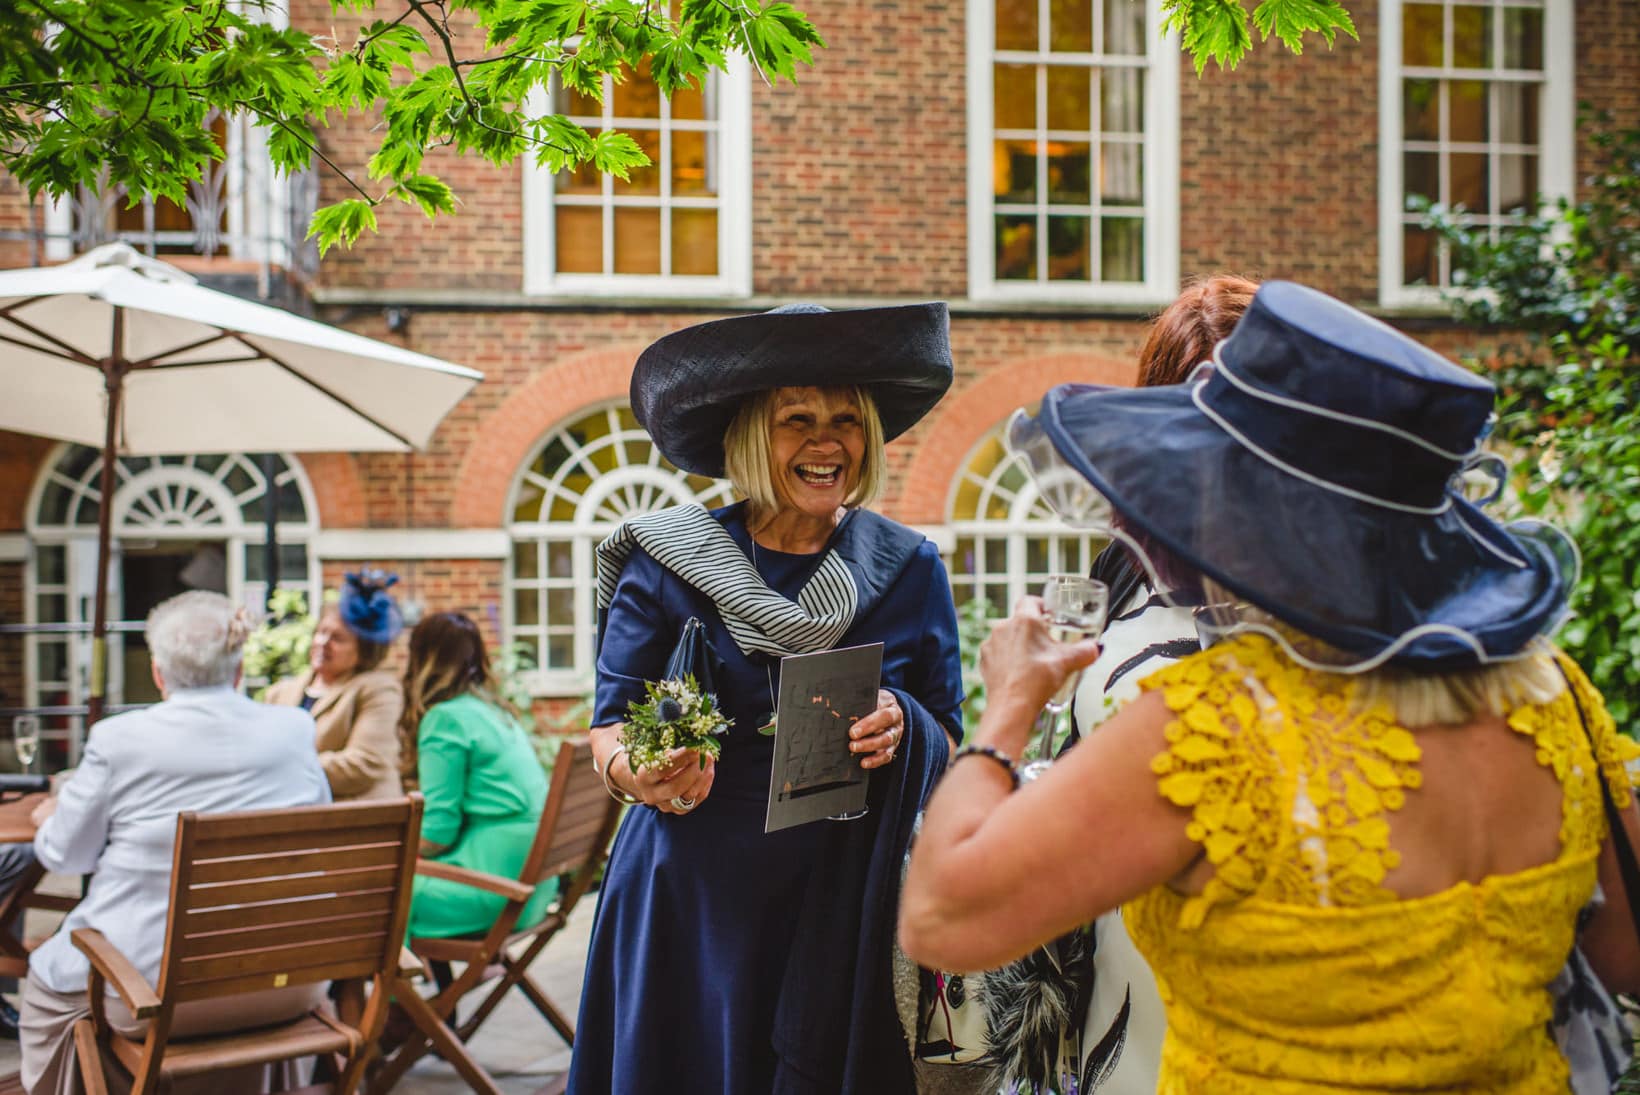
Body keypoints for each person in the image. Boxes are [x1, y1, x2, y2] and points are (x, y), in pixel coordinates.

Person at [900, 280, 1640, 1092]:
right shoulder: (1554, 698)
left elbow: (943, 914)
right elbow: (1624, 956)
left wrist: (1008, 702)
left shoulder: (1220, 727)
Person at [566, 303, 966, 1095]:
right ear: (752, 433)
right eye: (799, 419)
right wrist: (634, 773)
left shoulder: (910, 567)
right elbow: (608, 724)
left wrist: (903, 723)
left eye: (848, 419)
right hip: (691, 906)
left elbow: (950, 733)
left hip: (841, 904)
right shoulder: (668, 562)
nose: (829, 443)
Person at [20, 591, 332, 1095]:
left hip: (153, 996)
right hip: (286, 982)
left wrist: (50, 814)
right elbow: (317, 825)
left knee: (48, 993)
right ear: (238, 669)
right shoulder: (294, 729)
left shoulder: (118, 739)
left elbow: (64, 854)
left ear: (158, 672)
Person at [398, 611, 556, 940]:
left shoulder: (445, 719)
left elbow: (437, 833)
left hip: (494, 889)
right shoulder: (494, 712)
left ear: (421, 659)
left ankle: (374, 994)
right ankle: (410, 990)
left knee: (374, 895)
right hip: (534, 888)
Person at [265, 570, 405, 800]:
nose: (322, 643)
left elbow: (364, 764)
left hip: (357, 820)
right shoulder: (279, 692)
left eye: (337, 639)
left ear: (364, 651)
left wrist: (284, 768)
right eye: (321, 633)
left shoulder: (378, 689)